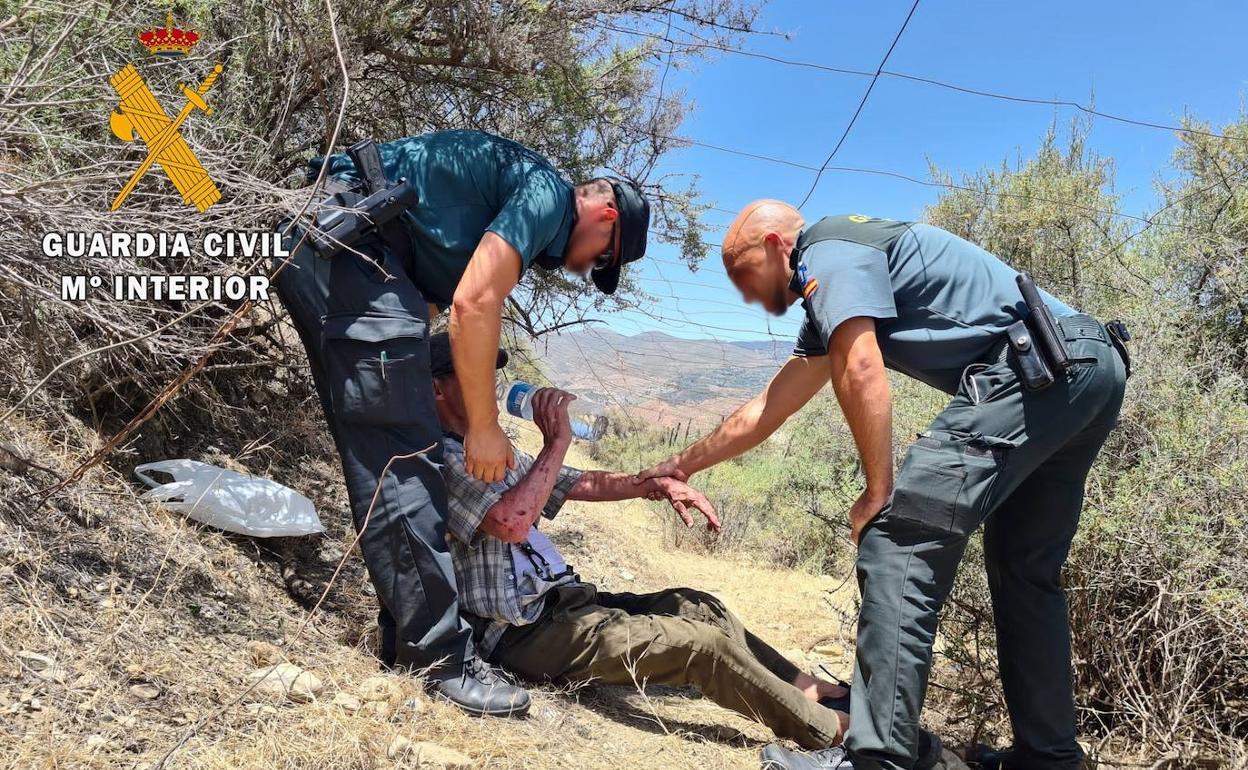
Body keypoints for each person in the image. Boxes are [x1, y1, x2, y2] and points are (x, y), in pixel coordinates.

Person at [637, 202, 1129, 770]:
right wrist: (681, 465)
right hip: (1085, 367)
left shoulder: (829, 250)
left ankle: (875, 757)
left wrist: (878, 490)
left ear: (774, 245)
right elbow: (769, 408)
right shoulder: (840, 288)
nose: (746, 294)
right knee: (1024, 571)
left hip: (1036, 365)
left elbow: (861, 367)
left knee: (897, 538)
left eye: (743, 274)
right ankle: (1050, 759)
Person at [271, 129, 650, 717]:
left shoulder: (522, 188)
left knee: (395, 454)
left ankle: (410, 640)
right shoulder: (547, 194)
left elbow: (428, 305)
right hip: (346, 243)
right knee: (405, 462)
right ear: (605, 215)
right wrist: (483, 426)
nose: (585, 268)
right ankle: (440, 660)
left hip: (346, 247)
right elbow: (475, 302)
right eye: (601, 256)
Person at [422, 332, 862, 750]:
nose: (489, 384)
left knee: (699, 607)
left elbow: (576, 482)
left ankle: (806, 688)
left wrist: (652, 483)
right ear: (439, 389)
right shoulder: (441, 459)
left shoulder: (487, 448)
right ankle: (831, 732)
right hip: (520, 631)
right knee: (700, 647)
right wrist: (556, 443)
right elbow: (511, 523)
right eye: (474, 374)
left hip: (561, 603)